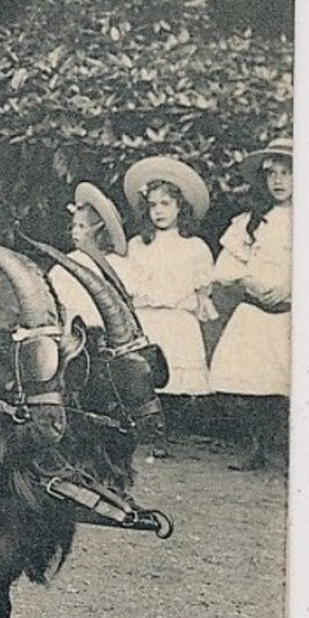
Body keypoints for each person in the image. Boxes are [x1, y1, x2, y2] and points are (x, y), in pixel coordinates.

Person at [119, 156, 218, 456]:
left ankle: (170, 430)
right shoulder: (138, 245)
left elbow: (203, 286)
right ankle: (148, 433)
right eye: (153, 205)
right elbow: (130, 282)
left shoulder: (194, 247)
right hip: (148, 317)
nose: (159, 211)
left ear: (180, 208)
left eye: (166, 204)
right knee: (145, 376)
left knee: (175, 373)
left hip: (176, 319)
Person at [210, 138, 293, 471]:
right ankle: (257, 445)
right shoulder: (253, 220)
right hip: (255, 310)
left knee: (285, 383)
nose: (278, 181)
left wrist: (291, 288)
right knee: (239, 377)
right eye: (272, 174)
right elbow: (228, 264)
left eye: (287, 173)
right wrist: (249, 282)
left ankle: (285, 450)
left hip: (291, 312)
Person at [46, 182, 130, 332]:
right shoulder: (67, 263)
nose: (75, 232)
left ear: (99, 230)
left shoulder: (116, 264)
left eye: (82, 227)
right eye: (73, 226)